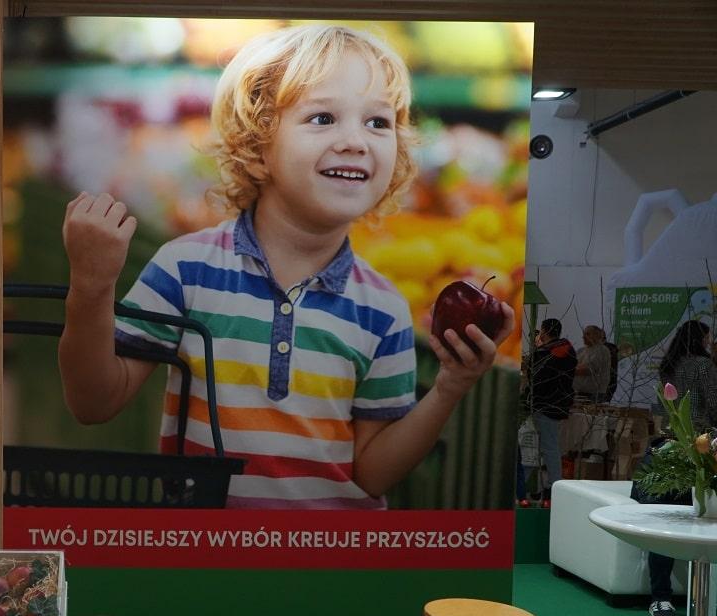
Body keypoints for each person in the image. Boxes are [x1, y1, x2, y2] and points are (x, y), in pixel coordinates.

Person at [57, 24, 513, 509]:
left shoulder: (382, 308)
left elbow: (372, 474)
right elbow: (94, 402)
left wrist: (448, 388)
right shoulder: (186, 270)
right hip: (207, 547)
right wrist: (91, 286)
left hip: (327, 550)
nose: (356, 141)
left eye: (378, 123)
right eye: (323, 118)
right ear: (259, 145)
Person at [641, 320, 717, 616]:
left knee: (667, 524)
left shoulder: (668, 366)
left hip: (668, 446)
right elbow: (714, 405)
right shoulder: (703, 366)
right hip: (700, 449)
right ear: (701, 338)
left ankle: (660, 598)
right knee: (704, 517)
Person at [527, 318, 577, 492]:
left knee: (544, 445)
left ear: (544, 331)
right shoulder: (568, 351)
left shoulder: (545, 354)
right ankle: (548, 483)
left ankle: (554, 484)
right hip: (559, 403)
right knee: (546, 444)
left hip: (543, 404)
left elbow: (536, 379)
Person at [574, 324, 611, 402]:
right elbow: (572, 364)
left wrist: (570, 370)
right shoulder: (581, 350)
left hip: (594, 394)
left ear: (597, 336)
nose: (583, 337)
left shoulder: (601, 350)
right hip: (579, 391)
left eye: (587, 334)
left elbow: (589, 370)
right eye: (584, 334)